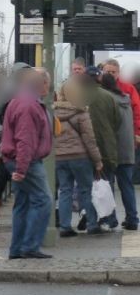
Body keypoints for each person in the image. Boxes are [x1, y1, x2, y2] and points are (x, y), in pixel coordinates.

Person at [0, 68, 53, 259]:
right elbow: (25, 140)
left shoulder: (19, 100)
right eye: (49, 83)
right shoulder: (29, 105)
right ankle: (30, 246)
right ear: (42, 84)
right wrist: (22, 169)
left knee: (22, 202)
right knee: (43, 200)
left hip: (16, 160)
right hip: (27, 162)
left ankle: (17, 248)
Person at [0, 62, 33, 237]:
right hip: (7, 147)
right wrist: (4, 134)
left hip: (25, 147)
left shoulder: (33, 91)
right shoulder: (7, 91)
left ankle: (23, 223)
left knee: (24, 187)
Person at [53, 79, 103, 237]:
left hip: (60, 157)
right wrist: (98, 161)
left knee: (65, 191)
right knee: (85, 190)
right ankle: (92, 224)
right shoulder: (81, 112)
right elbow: (90, 139)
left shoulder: (54, 113)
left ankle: (64, 226)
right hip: (80, 157)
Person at [82, 66, 121, 230]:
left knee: (87, 186)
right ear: (98, 78)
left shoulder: (78, 96)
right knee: (107, 183)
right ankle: (110, 218)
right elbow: (117, 121)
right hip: (106, 147)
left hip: (84, 149)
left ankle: (91, 220)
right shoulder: (109, 96)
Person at [101, 73, 139, 231]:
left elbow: (107, 128)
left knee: (108, 185)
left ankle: (111, 219)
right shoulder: (126, 99)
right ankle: (132, 219)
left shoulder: (108, 101)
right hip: (127, 149)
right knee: (127, 185)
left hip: (112, 150)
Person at [101, 59, 140, 187]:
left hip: (124, 138)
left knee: (125, 179)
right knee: (109, 179)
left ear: (118, 73)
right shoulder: (98, 88)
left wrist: (136, 132)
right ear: (103, 71)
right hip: (106, 138)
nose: (111, 74)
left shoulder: (128, 88)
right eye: (108, 71)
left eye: (113, 72)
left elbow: (137, 112)